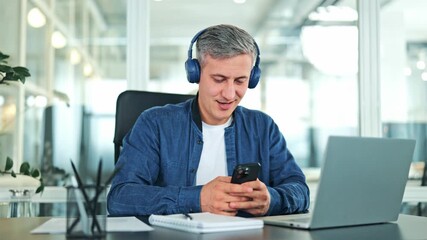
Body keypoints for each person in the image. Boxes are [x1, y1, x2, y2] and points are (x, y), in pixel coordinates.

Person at [107, 24, 310, 217]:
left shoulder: (263, 128)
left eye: (240, 81)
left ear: (253, 77)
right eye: (219, 79)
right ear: (195, 74)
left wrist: (271, 200)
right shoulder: (154, 124)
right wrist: (198, 199)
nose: (230, 94)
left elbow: (299, 190)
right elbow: (120, 198)